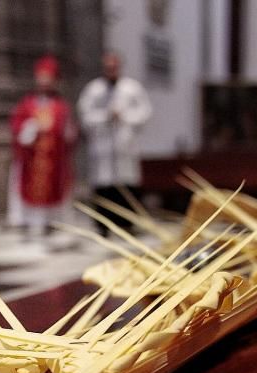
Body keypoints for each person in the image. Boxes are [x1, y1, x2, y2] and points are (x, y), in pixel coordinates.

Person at [77, 52, 153, 236]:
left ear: (119, 67)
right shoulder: (94, 89)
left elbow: (145, 112)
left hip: (124, 147)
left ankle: (127, 224)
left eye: (114, 67)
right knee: (104, 187)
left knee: (126, 187)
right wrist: (105, 116)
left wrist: (124, 116)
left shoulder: (132, 88)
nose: (111, 70)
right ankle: (103, 225)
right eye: (108, 67)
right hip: (102, 149)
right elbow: (85, 115)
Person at [8, 55, 76, 234]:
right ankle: (30, 222)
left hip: (53, 157)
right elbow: (16, 127)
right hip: (32, 156)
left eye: (49, 79)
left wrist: (67, 133)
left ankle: (52, 222)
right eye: (42, 78)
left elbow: (69, 132)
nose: (45, 82)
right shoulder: (27, 104)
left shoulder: (61, 106)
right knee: (32, 188)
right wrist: (30, 129)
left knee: (54, 188)